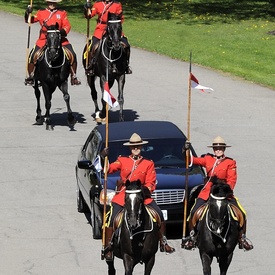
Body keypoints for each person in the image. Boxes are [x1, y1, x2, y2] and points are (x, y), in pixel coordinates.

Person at [101, 133, 175, 261]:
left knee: (158, 213)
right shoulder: (122, 160)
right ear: (130, 148)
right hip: (125, 195)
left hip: (142, 196)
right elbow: (107, 170)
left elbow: (151, 183)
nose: (136, 148)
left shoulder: (148, 163)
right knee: (111, 217)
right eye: (133, 146)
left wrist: (144, 191)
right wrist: (104, 157)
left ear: (141, 147)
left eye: (138, 146)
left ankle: (163, 242)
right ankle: (109, 247)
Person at [182, 136, 253, 251]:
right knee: (194, 212)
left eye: (220, 148)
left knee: (241, 213)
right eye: (216, 148)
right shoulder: (208, 159)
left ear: (224, 149)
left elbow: (232, 180)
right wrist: (186, 150)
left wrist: (225, 189)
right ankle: (192, 237)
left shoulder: (230, 162)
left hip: (224, 192)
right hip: (208, 191)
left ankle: (242, 238)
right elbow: (192, 160)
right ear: (213, 149)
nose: (218, 150)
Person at [24, 0, 81, 86]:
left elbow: (67, 26)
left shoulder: (62, 13)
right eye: (50, 2)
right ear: (47, 3)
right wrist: (28, 12)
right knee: (33, 55)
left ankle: (74, 76)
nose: (52, 4)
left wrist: (60, 32)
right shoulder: (41, 12)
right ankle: (31, 76)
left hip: (59, 40)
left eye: (54, 2)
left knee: (72, 54)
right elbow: (30, 20)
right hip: (44, 39)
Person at [83, 0, 132, 75]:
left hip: (114, 30)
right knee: (93, 46)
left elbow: (121, 19)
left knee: (126, 45)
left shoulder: (117, 4)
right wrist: (86, 8)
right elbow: (89, 15)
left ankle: (126, 65)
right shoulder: (98, 4)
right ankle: (92, 65)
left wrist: (114, 25)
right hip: (100, 29)